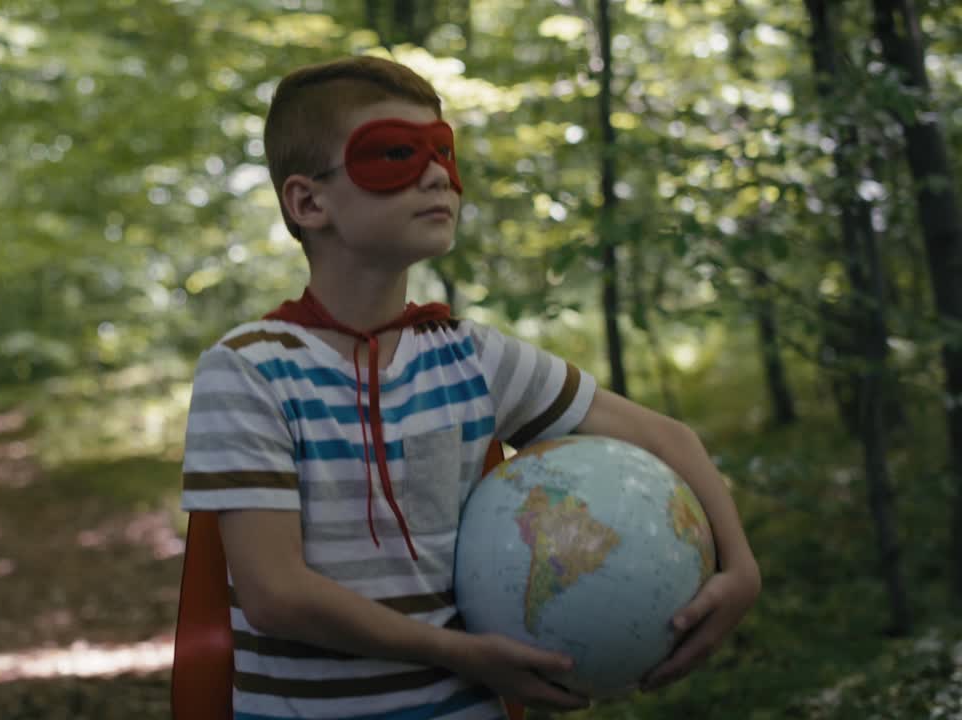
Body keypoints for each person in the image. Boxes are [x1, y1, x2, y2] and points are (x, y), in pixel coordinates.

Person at [179, 55, 760, 719]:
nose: (436, 175)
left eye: (444, 155)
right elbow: (275, 594)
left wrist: (741, 568)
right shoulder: (248, 370)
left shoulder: (472, 358)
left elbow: (667, 438)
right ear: (309, 201)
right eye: (396, 154)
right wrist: (459, 654)